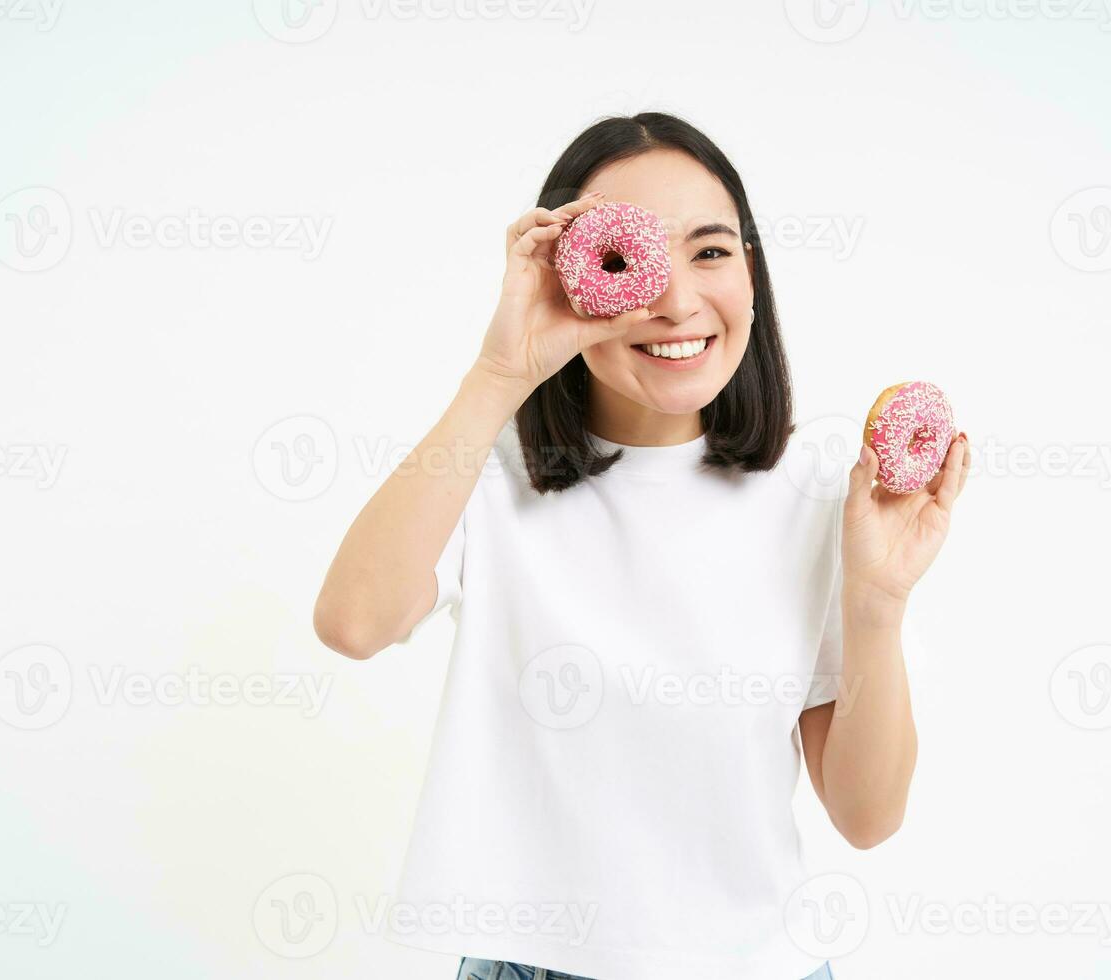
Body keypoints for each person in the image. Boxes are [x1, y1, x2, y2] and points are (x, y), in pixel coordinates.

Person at [313, 111, 971, 980]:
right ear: (569, 278)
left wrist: (879, 606)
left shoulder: (820, 487)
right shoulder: (492, 469)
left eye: (710, 251)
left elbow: (867, 815)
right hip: (531, 965)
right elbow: (354, 623)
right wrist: (500, 375)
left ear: (751, 273)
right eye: (633, 262)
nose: (676, 302)